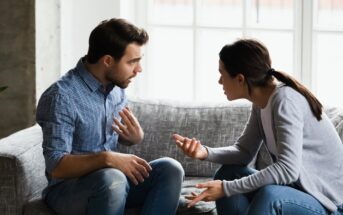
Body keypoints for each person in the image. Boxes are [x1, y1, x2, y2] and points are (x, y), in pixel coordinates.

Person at [173, 39, 343, 215]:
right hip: (301, 192)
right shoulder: (261, 103)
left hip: (330, 204)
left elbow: (287, 170)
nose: (219, 81)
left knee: (270, 196)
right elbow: (244, 152)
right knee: (228, 173)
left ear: (240, 79)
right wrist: (205, 152)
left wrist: (226, 188)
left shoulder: (285, 101)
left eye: (222, 74)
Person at [36, 18, 184, 215]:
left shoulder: (117, 88)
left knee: (170, 169)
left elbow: (105, 134)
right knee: (113, 178)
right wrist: (107, 159)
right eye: (132, 62)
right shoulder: (61, 97)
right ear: (107, 61)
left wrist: (132, 138)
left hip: (114, 184)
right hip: (68, 190)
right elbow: (56, 166)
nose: (138, 70)